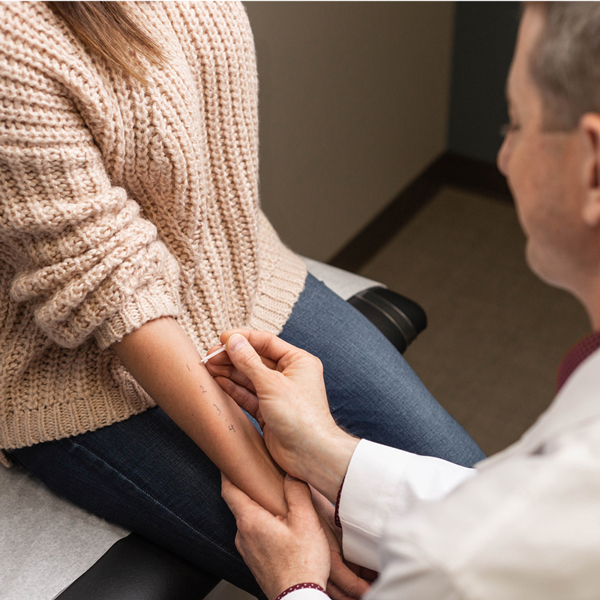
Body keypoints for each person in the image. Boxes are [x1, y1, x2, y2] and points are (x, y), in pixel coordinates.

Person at [0, 2, 483, 598]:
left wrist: (325, 456)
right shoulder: (12, 34)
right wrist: (294, 525)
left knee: (482, 512)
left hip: (248, 285)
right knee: (383, 581)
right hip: (86, 367)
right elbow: (108, 286)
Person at [215, 2, 600, 598]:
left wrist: (296, 586)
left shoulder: (454, 571)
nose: (502, 156)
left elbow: (495, 545)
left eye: (516, 123)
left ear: (594, 169)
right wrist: (328, 453)